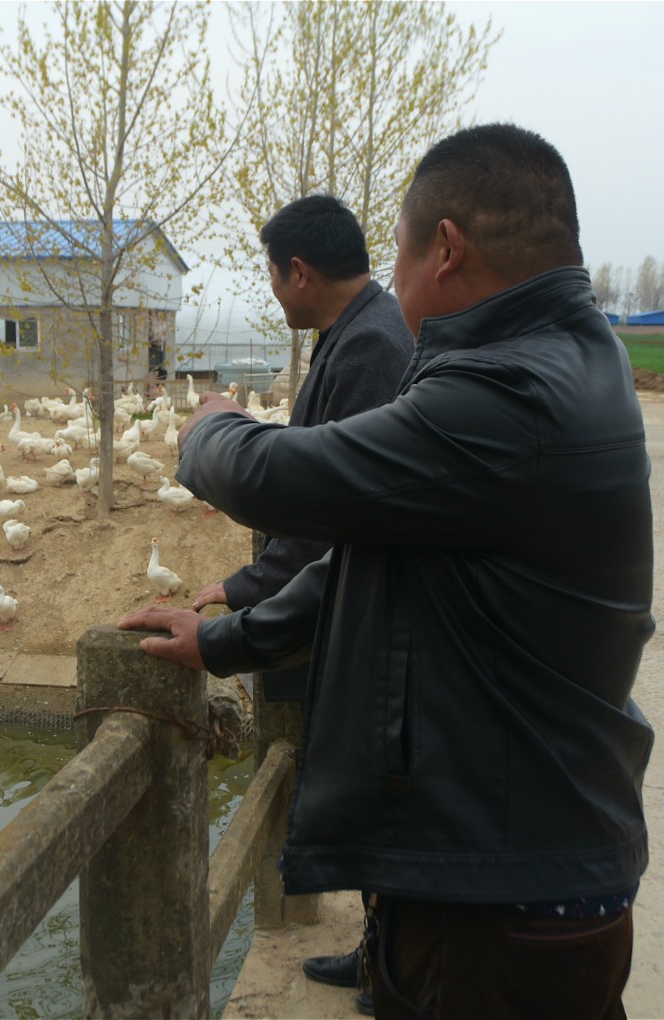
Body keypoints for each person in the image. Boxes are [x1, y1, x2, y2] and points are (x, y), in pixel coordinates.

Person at [120, 123, 655, 1019]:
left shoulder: (508, 396)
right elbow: (365, 565)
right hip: (516, 866)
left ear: (445, 251)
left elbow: (275, 477)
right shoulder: (561, 361)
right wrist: (221, 642)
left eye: (398, 262)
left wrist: (209, 425)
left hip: (504, 897)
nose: (391, 291)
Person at [190, 193, 412, 1014]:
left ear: (299, 271)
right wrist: (247, 585)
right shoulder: (355, 336)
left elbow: (330, 506)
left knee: (373, 787)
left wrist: (250, 594)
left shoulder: (370, 352)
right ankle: (381, 949)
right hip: (340, 596)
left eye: (273, 276)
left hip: (355, 613)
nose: (275, 293)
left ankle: (392, 965)